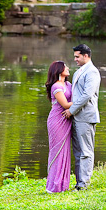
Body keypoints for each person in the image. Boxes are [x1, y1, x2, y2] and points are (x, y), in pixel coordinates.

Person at [63, 44, 100, 190]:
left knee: (86, 151)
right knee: (78, 152)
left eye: (77, 56)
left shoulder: (92, 72)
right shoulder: (80, 71)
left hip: (85, 117)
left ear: (86, 56)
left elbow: (87, 95)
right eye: (74, 57)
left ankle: (84, 184)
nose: (75, 59)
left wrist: (71, 110)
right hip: (77, 117)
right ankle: (79, 183)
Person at [45, 61, 72, 193]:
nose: (67, 68)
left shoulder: (68, 84)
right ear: (59, 70)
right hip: (57, 121)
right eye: (65, 67)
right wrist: (83, 101)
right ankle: (54, 186)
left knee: (65, 150)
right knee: (57, 151)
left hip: (66, 120)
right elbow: (66, 105)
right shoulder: (56, 86)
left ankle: (63, 185)